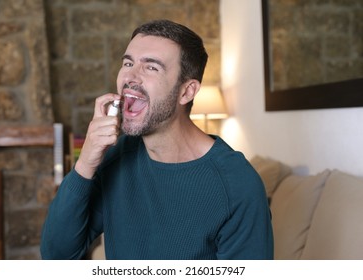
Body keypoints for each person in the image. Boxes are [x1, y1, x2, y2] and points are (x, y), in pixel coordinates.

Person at [40, 19, 273, 260]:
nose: (130, 77)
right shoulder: (118, 157)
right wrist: (85, 163)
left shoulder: (237, 185)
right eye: (128, 62)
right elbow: (57, 256)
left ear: (187, 91)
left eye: (151, 67)